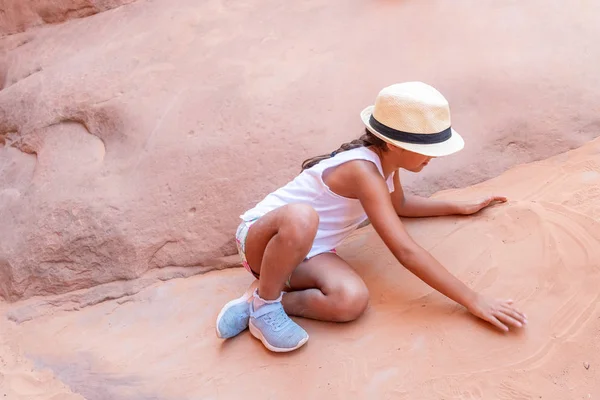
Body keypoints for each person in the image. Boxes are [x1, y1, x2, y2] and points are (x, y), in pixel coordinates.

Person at [215, 82, 527, 353]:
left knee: (351, 301)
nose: (432, 156)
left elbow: (400, 204)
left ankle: (258, 302)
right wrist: (472, 299)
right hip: (264, 240)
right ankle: (267, 305)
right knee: (301, 217)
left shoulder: (385, 166)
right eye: (427, 148)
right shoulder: (362, 171)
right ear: (394, 144)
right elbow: (405, 251)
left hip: (311, 252)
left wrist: (459, 207)